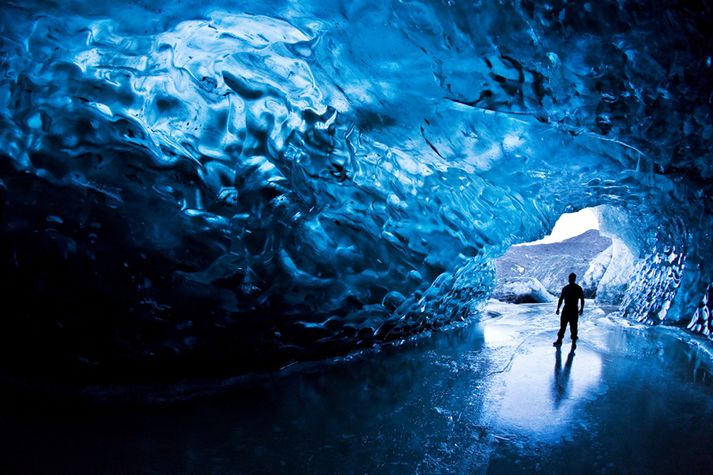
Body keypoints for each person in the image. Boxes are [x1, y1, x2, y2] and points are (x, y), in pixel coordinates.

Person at [553, 272, 584, 347]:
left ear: (569, 279)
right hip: (573, 309)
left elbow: (561, 299)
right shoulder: (578, 288)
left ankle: (560, 339)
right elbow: (582, 299)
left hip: (567, 309)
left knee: (564, 325)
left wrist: (558, 308)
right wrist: (581, 309)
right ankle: (573, 340)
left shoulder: (566, 288)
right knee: (573, 325)